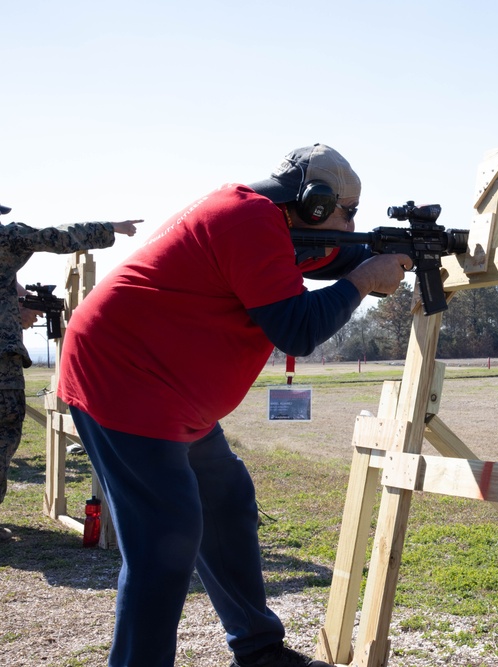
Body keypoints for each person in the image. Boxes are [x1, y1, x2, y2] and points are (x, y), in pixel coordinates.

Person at [57, 144, 412, 667]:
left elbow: (340, 253)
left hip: (170, 390)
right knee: (165, 540)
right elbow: (299, 328)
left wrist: (405, 254)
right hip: (124, 381)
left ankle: (259, 652)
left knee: (226, 503)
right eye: (347, 212)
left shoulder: (273, 224)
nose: (350, 223)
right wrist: (361, 282)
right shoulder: (247, 220)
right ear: (312, 206)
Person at [0, 206, 141, 541]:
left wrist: (13, 306)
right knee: (3, 434)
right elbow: (57, 236)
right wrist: (111, 227)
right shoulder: (6, 238)